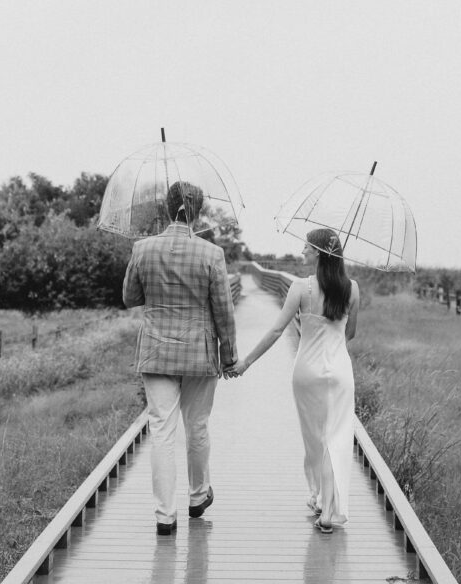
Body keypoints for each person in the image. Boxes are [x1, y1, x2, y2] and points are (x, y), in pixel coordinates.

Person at [122, 180, 238, 536]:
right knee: (198, 425)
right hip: (200, 351)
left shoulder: (143, 248)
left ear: (166, 208)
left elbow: (129, 297)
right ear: (198, 211)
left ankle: (164, 515)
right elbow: (223, 310)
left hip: (156, 349)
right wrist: (229, 354)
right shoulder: (211, 254)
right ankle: (198, 496)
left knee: (161, 431)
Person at [237, 229, 359, 533]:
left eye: (306, 246)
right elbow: (350, 334)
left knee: (315, 438)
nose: (302, 250)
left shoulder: (301, 288)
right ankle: (328, 508)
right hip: (340, 372)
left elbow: (277, 331)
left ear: (317, 252)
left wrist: (246, 363)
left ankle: (320, 498)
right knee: (336, 438)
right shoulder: (352, 289)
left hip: (307, 371)